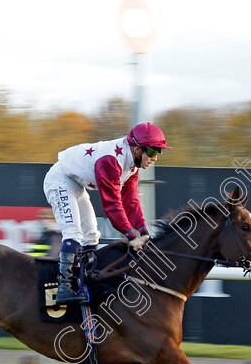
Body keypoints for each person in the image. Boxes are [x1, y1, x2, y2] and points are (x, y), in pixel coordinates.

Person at [43, 122, 172, 303]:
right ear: (137, 149)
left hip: (76, 184)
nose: (155, 158)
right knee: (73, 233)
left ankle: (83, 282)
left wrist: (143, 231)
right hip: (60, 180)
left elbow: (131, 201)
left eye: (158, 152)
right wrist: (131, 236)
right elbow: (112, 205)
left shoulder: (132, 165)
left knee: (92, 235)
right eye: (151, 152)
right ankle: (64, 287)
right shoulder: (110, 161)